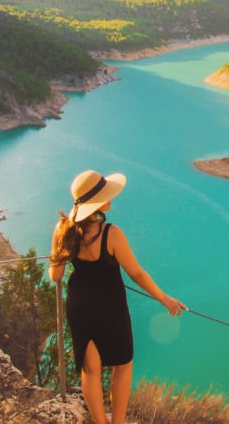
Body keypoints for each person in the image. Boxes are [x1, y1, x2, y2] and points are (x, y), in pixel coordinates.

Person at [49, 169, 187, 424]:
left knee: (90, 370)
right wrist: (164, 298)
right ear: (97, 202)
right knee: (122, 365)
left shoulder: (63, 228)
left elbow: (55, 275)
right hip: (110, 307)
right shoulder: (111, 234)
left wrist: (60, 249)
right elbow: (136, 273)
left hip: (80, 306)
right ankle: (118, 422)